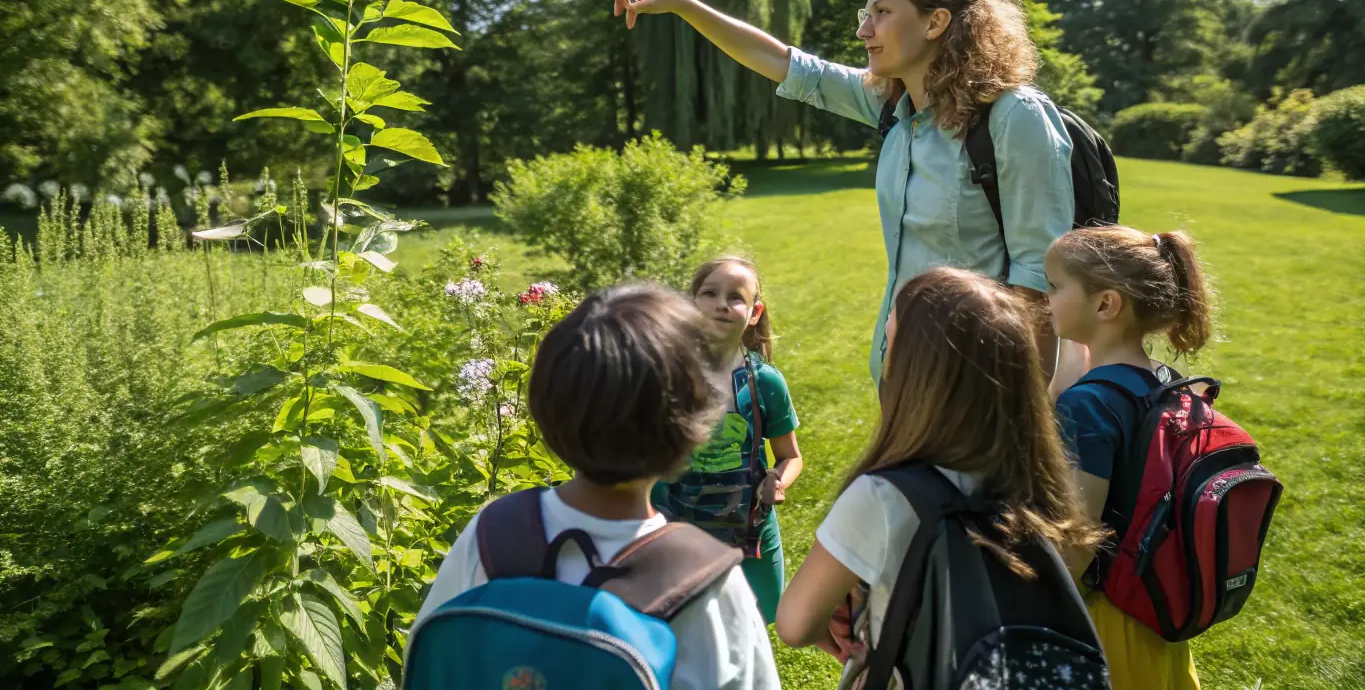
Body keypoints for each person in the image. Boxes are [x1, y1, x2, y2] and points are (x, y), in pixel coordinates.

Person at [602, 0, 1076, 384]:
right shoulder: (893, 104)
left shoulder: (1014, 116)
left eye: (882, 13)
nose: (863, 30)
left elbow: (1039, 280)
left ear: (935, 23)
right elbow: (783, 62)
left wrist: (1025, 412)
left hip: (980, 384)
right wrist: (681, 4)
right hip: (903, 374)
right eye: (865, 14)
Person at [413, 285, 781, 690]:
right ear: (694, 428)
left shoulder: (491, 534)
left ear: (545, 408)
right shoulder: (707, 582)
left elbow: (427, 660)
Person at [773, 267, 1103, 686]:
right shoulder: (1038, 480)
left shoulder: (882, 497)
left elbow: (795, 623)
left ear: (916, 372)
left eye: (890, 341)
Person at [1045, 226, 1214, 690]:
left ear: (1105, 305)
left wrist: (1032, 610)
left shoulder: (1089, 405)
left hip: (1105, 624)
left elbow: (1079, 540)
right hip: (1155, 609)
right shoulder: (1169, 382)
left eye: (1056, 287)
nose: (1047, 300)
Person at [654, 256, 803, 624]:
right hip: (674, 524)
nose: (722, 303)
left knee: (757, 617)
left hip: (748, 528)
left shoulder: (765, 381)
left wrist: (778, 481)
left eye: (736, 297)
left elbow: (790, 456)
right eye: (710, 293)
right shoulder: (665, 374)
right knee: (676, 620)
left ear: (755, 312)